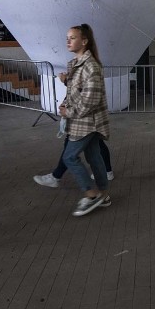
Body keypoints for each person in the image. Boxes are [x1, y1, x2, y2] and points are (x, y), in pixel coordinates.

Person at [57, 24, 111, 216]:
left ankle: (92, 194)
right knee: (94, 156)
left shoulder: (91, 66)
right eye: (67, 37)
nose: (68, 41)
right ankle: (103, 194)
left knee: (69, 157)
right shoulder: (75, 64)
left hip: (87, 122)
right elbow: (77, 91)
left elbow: (91, 101)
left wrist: (68, 112)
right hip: (82, 120)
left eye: (72, 37)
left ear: (84, 41)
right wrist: (66, 84)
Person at [34, 138, 114, 187]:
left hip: (82, 122)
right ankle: (107, 172)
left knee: (70, 151)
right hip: (88, 121)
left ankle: (56, 176)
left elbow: (82, 110)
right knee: (97, 142)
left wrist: (67, 112)